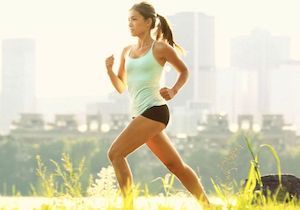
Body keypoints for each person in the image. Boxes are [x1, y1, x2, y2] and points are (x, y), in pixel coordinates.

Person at [105, 1, 210, 208]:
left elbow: (184, 71)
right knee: (175, 165)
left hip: (155, 111)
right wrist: (109, 70)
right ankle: (208, 206)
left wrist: (173, 90)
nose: (130, 24)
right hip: (140, 114)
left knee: (115, 153)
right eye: (128, 20)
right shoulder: (127, 51)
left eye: (134, 19)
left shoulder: (159, 48)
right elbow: (120, 86)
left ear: (148, 22)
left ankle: (128, 206)